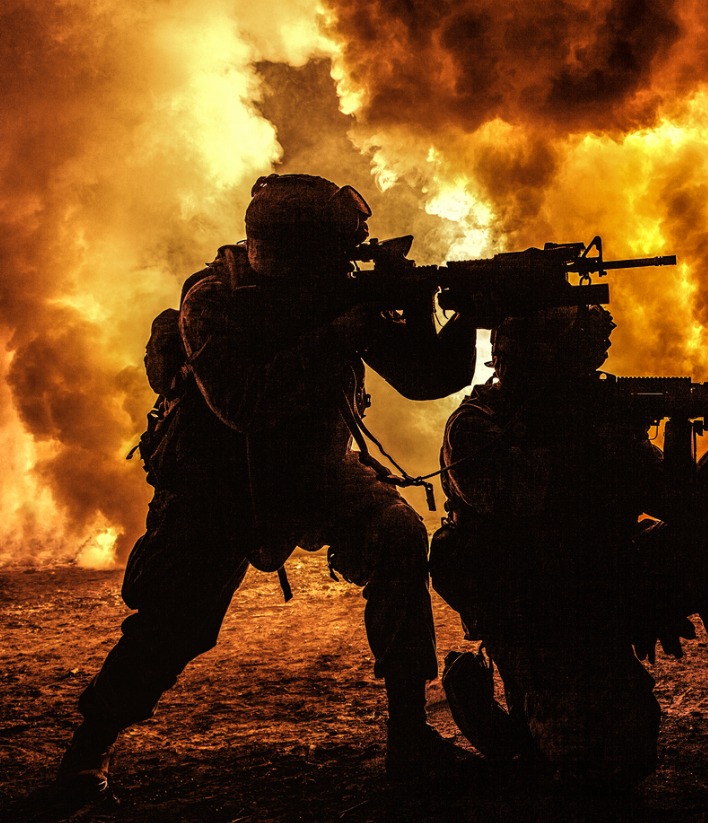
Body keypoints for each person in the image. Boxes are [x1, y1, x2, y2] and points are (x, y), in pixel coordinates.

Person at [56, 173, 478, 803]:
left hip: (316, 471)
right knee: (176, 623)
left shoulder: (336, 297)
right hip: (217, 485)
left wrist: (447, 309)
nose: (345, 269)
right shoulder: (213, 301)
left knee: (396, 532)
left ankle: (409, 735)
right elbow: (244, 404)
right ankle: (86, 752)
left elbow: (426, 378)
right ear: (292, 255)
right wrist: (345, 329)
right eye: (332, 258)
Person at [431, 305, 708, 788]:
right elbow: (532, 502)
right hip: (541, 610)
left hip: (601, 583)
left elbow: (682, 507)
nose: (589, 377)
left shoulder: (597, 418)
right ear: (530, 364)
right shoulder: (475, 428)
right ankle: (516, 733)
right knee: (609, 762)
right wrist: (595, 437)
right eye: (573, 366)